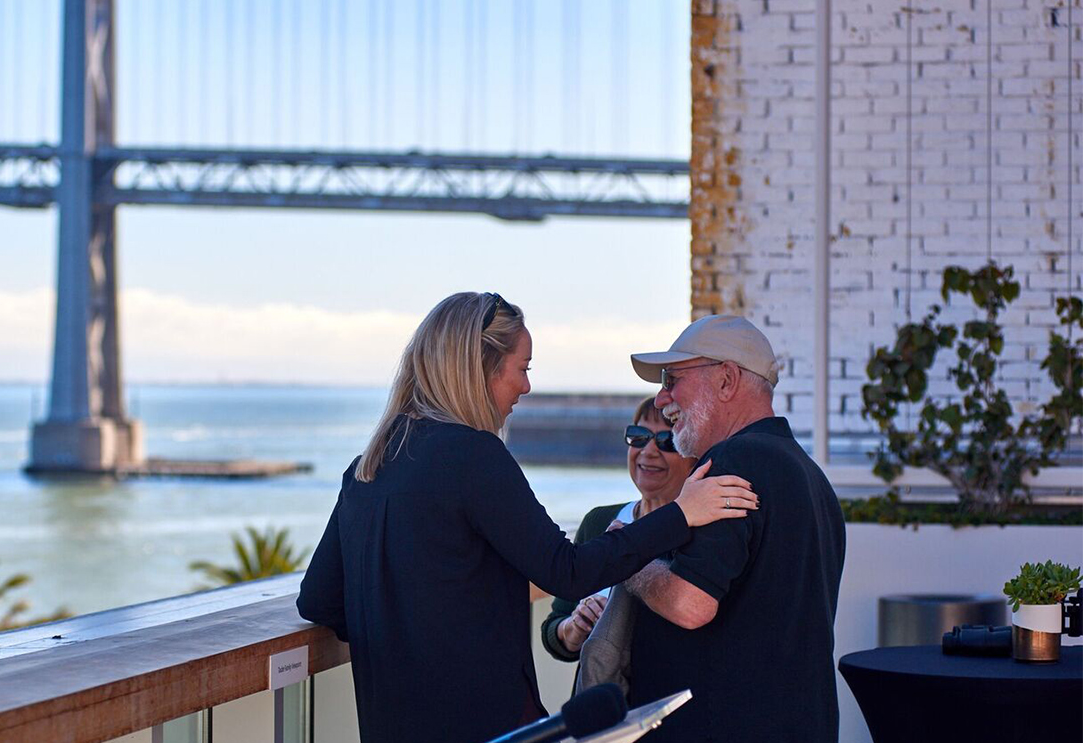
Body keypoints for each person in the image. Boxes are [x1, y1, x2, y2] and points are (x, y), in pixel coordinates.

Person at [296, 293, 759, 743]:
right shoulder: (473, 456)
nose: (526, 387)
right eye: (523, 368)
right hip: (483, 724)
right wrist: (681, 514)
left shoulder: (367, 467)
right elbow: (568, 571)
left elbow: (318, 602)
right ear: (481, 369)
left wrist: (403, 633)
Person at [622, 314, 846, 742]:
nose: (663, 396)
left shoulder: (734, 463)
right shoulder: (812, 478)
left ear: (726, 380)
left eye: (673, 379)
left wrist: (631, 563)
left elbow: (691, 604)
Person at [538, 397, 699, 688]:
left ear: (692, 455)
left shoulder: (701, 534)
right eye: (638, 437)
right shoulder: (599, 522)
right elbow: (555, 628)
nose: (648, 451)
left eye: (666, 441)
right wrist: (574, 628)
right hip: (604, 709)